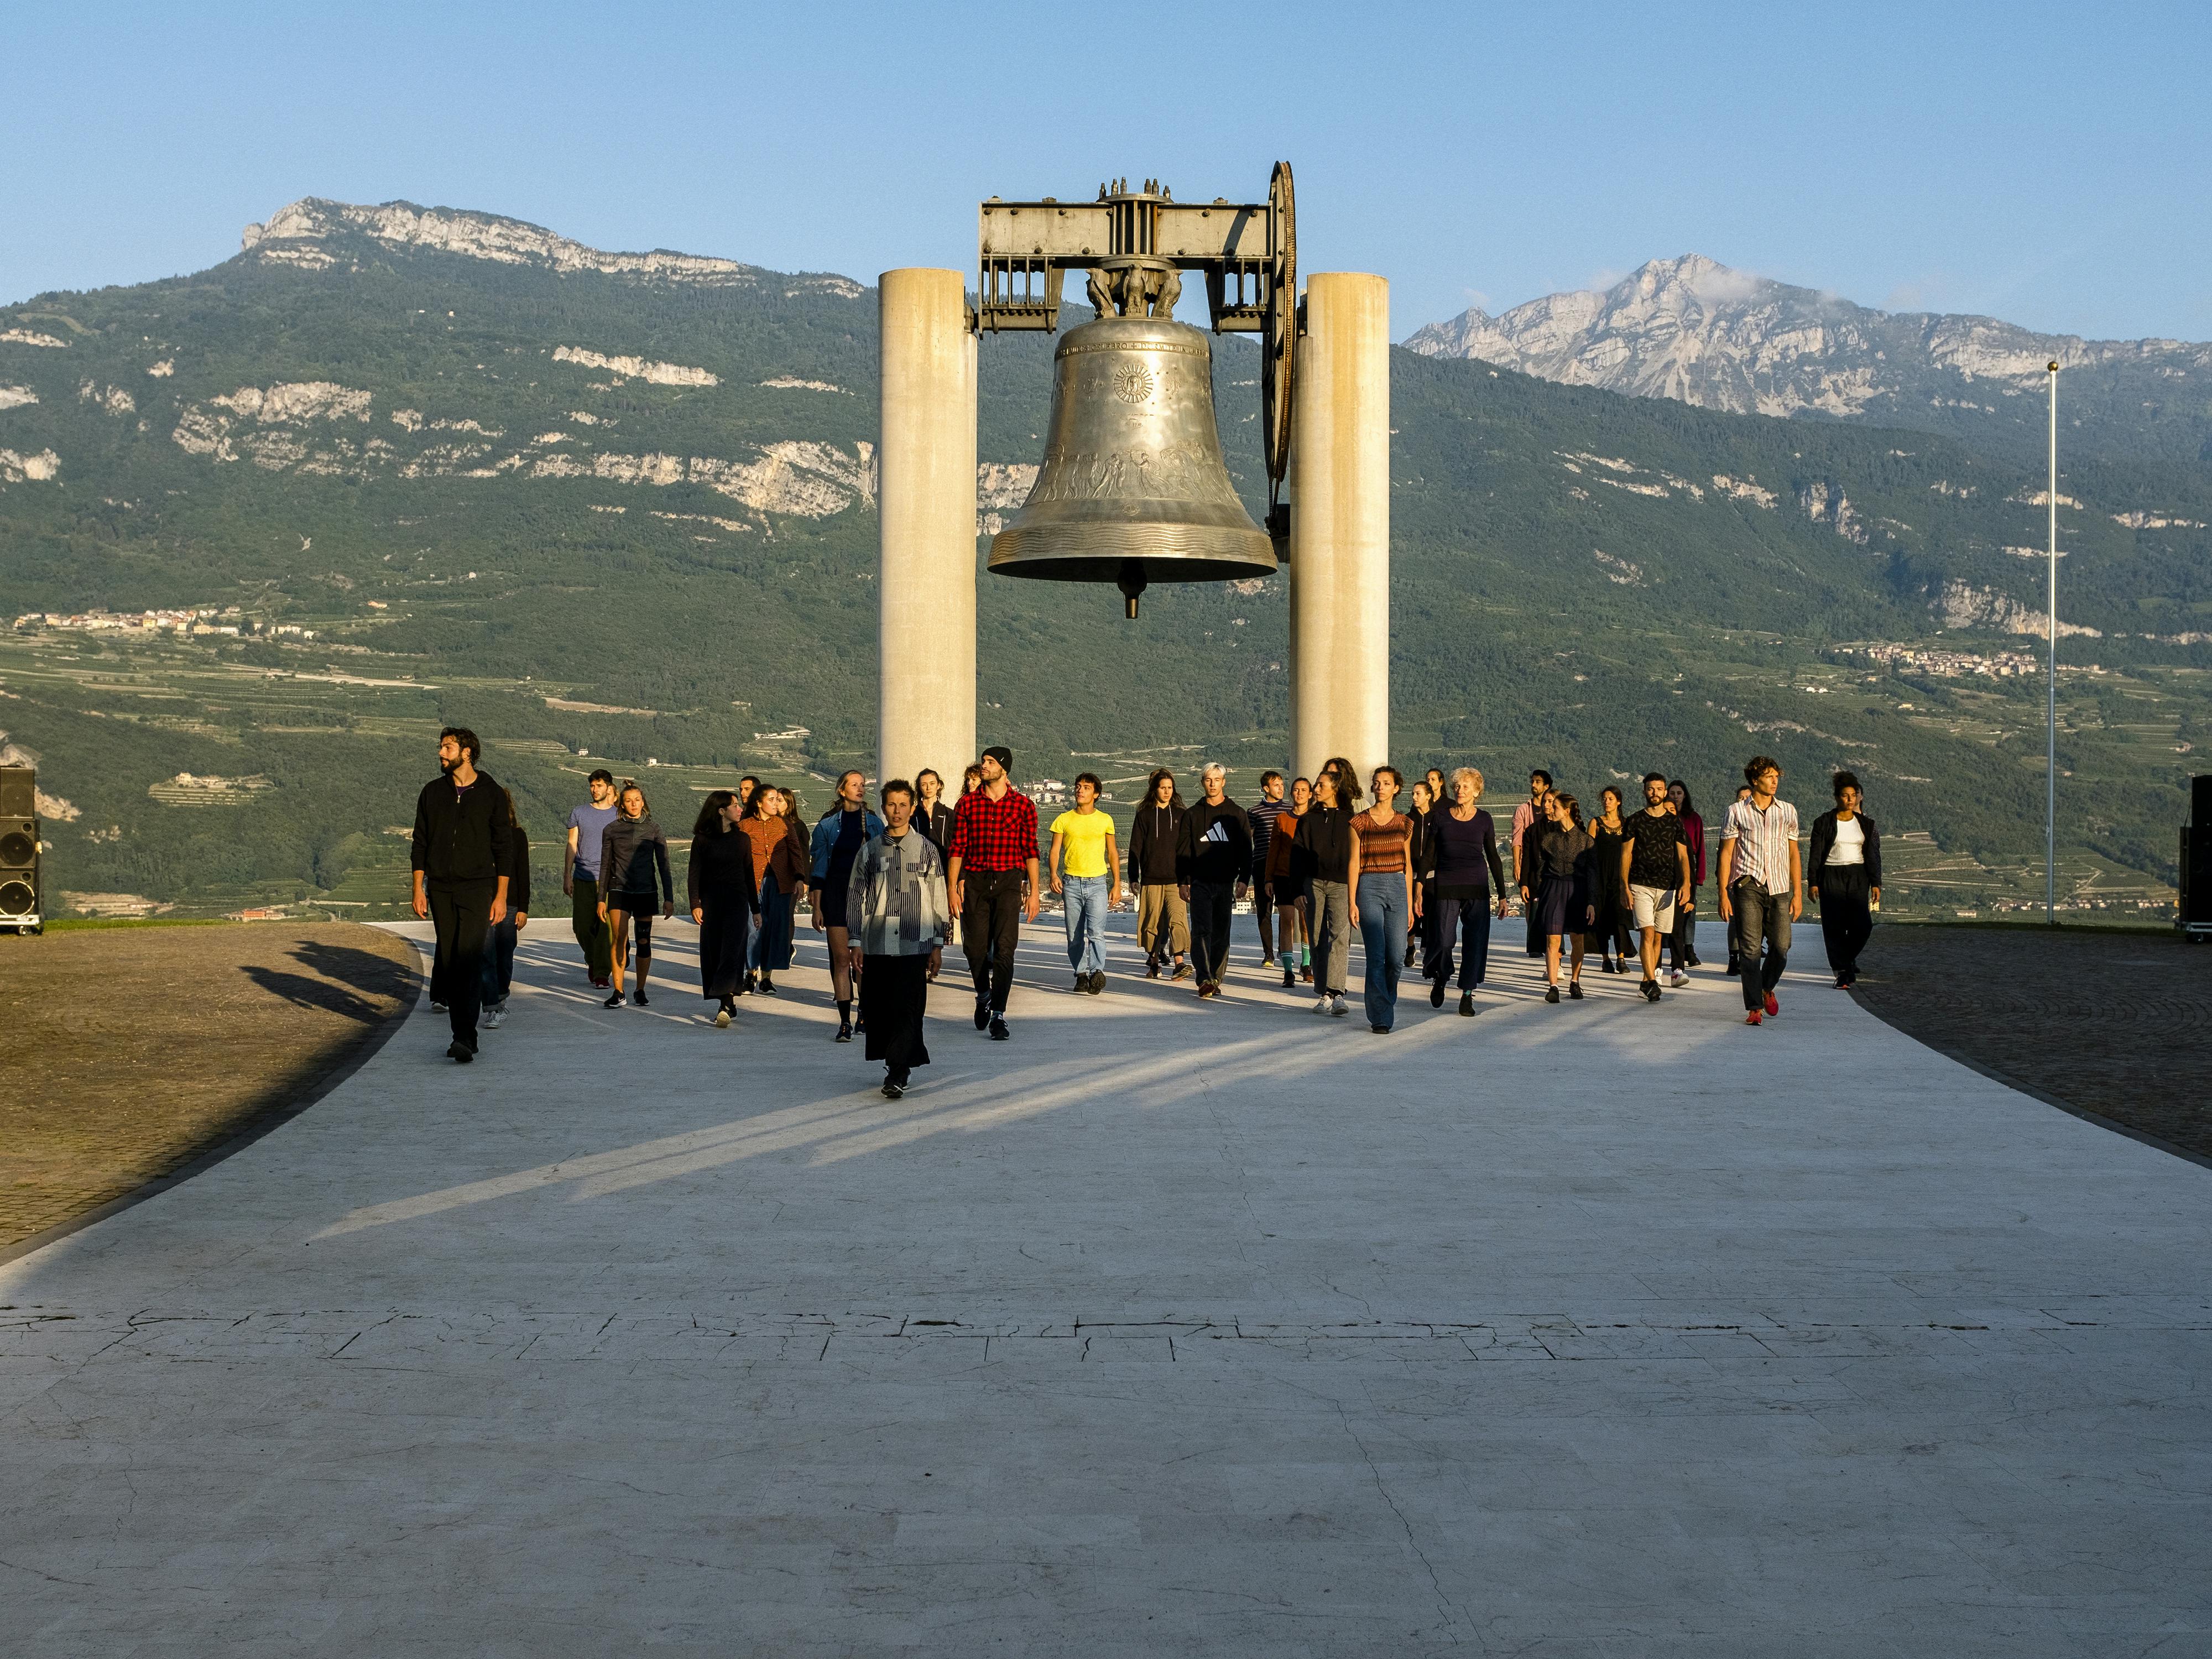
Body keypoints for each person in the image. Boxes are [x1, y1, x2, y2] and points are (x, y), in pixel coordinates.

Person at [846, 779, 953, 1098]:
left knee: (909, 1009)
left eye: (903, 805)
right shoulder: (869, 851)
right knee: (881, 1009)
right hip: (877, 942)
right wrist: (855, 941)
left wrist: (938, 944)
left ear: (912, 807)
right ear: (883, 807)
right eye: (891, 804)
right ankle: (897, 1064)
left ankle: (897, 1071)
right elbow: (855, 897)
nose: (897, 811)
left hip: (915, 942)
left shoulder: (927, 850)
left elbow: (938, 899)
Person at [411, 727, 512, 1063]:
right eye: (441, 747)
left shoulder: (491, 792)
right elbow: (420, 844)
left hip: (478, 887)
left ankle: (464, 1038)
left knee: (468, 958)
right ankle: (464, 1034)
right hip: (439, 888)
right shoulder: (432, 793)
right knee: (452, 960)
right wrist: (418, 888)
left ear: (467, 752)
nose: (441, 753)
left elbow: (504, 849)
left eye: (447, 747)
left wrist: (501, 897)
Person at [946, 744, 1040, 1041]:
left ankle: (999, 1014)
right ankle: (983, 993)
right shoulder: (967, 805)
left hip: (1009, 881)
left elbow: (1031, 851)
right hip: (974, 881)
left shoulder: (1023, 806)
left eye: (989, 762)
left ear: (1004, 768)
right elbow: (957, 848)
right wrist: (952, 887)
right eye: (983, 761)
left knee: (1005, 950)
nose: (983, 766)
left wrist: (1035, 891)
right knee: (973, 949)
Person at [1718, 757, 1802, 1026]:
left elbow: (1793, 854)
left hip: (1779, 887)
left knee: (1782, 946)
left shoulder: (1787, 811)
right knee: (1751, 950)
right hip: (1748, 885)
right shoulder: (1736, 811)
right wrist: (1723, 893)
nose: (1775, 781)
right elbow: (1727, 853)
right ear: (1755, 780)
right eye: (1769, 776)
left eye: (1777, 776)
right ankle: (1754, 1007)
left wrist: (1797, 894)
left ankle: (1766, 987)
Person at [1422, 766, 1507, 1016]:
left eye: (1466, 787)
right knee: (1444, 940)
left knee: (1475, 943)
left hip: (1477, 886)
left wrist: (1502, 894)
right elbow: (1429, 854)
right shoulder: (1441, 817)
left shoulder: (1484, 819)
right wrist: (1418, 887)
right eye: (1457, 786)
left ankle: (1467, 994)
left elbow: (1493, 857)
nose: (1460, 791)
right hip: (1446, 884)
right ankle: (1441, 975)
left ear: (1476, 792)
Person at [810, 770, 885, 1042]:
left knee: (863, 961)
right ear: (842, 790)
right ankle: (844, 1021)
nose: (860, 788)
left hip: (866, 898)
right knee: (842, 960)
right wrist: (817, 907)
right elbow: (819, 870)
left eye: (862, 785)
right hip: (836, 895)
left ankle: (864, 1012)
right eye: (854, 785)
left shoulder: (875, 824)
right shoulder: (827, 826)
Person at [1176, 762, 1252, 999]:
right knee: (1201, 930)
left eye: (1216, 780)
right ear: (1203, 783)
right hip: (1200, 882)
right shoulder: (1192, 814)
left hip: (1226, 881)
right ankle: (1204, 978)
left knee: (1221, 932)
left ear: (1223, 783)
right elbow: (1183, 851)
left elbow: (1246, 851)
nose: (1212, 784)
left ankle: (1216, 977)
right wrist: (1183, 881)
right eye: (1208, 780)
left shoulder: (1237, 814)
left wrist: (1244, 879)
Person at [598, 785, 673, 1009]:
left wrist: (668, 897)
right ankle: (619, 992)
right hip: (619, 890)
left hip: (646, 891)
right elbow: (605, 866)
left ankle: (640, 989)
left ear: (643, 802)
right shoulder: (611, 829)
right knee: (618, 939)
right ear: (622, 804)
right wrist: (601, 899)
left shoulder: (654, 829)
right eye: (629, 800)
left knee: (643, 941)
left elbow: (664, 865)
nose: (634, 804)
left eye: (637, 800)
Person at [1352, 765, 1415, 1032]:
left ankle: (1386, 1000)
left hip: (1398, 885)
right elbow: (1354, 862)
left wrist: (1411, 903)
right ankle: (1381, 1016)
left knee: (1397, 955)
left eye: (1386, 783)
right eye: (1376, 783)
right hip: (1368, 885)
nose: (1380, 787)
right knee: (1376, 955)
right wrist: (1351, 901)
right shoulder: (1360, 822)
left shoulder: (1404, 823)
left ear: (1396, 788)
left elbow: (1409, 864)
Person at [1620, 773, 1692, 1004]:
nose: (1655, 793)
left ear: (1664, 792)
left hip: (1667, 886)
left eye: (1659, 789)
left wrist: (1687, 884)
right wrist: (1624, 886)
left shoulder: (1674, 822)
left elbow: (1683, 856)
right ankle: (1652, 982)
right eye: (1650, 789)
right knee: (1647, 932)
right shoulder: (1635, 820)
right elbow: (1626, 854)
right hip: (1640, 884)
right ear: (1644, 792)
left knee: (1659, 937)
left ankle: (1645, 981)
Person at [689, 788, 758, 1027]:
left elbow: (749, 875)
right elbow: (694, 875)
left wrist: (756, 909)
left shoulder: (742, 839)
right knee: (714, 952)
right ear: (721, 811)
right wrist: (695, 904)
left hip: (737, 903)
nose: (740, 809)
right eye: (735, 805)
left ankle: (726, 1004)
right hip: (711, 904)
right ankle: (727, 999)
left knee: (732, 951)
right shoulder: (702, 840)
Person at [1807, 771, 1882, 989]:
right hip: (1831, 875)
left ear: (1858, 797)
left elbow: (1872, 855)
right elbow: (1816, 854)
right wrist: (1813, 881)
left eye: (1852, 795)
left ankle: (1846, 961)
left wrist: (1876, 883)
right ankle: (1843, 972)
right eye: (1844, 796)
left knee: (1863, 926)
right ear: (1837, 797)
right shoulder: (1823, 822)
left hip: (1858, 876)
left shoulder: (1866, 824)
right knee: (1835, 926)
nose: (1849, 800)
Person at [1520, 790, 1595, 1003]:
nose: (1551, 810)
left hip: (1578, 891)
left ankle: (1575, 981)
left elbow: (1592, 875)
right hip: (1552, 890)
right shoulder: (1548, 839)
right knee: (1552, 939)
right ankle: (1553, 986)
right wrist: (1538, 894)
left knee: (1577, 940)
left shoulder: (1586, 841)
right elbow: (1541, 870)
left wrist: (1592, 903)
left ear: (1567, 811)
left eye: (1556, 807)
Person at [1049, 772, 1120, 993]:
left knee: (1096, 932)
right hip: (1071, 883)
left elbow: (1112, 852)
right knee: (1074, 934)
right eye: (1078, 786)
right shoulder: (1063, 819)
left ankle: (1097, 972)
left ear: (1096, 794)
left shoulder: (1105, 820)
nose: (1080, 790)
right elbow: (1055, 850)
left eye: (1086, 787)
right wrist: (1053, 874)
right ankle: (1081, 974)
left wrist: (1116, 883)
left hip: (1098, 882)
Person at [1303, 758, 1360, 1018]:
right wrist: (1296, 891)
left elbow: (1357, 857)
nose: (1316, 789)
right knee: (1316, 938)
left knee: (1339, 937)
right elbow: (1298, 855)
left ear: (1334, 788)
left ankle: (1335, 993)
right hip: (1313, 883)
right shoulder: (1308, 820)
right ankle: (1322, 989)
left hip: (1341, 885)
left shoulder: (1351, 819)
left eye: (1320, 785)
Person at [739, 786, 806, 994]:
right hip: (753, 883)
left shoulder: (785, 825)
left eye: (778, 800)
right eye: (772, 800)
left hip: (780, 883)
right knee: (753, 929)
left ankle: (767, 976)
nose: (776, 804)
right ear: (759, 803)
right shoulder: (744, 826)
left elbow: (796, 853)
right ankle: (751, 973)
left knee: (775, 929)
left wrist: (799, 878)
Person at [1126, 768, 1190, 980]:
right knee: (1151, 923)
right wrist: (1133, 877)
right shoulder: (1144, 815)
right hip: (1151, 879)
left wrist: (1187, 879)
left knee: (1177, 920)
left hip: (1176, 880)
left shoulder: (1181, 814)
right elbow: (1135, 848)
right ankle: (1154, 963)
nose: (1167, 791)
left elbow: (1186, 849)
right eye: (1163, 787)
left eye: (1170, 788)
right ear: (1155, 789)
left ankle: (1180, 963)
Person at [479, 784, 530, 1029]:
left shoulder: (517, 836)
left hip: (511, 904)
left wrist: (524, 908)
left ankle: (500, 996)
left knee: (505, 954)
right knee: (486, 955)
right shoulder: (479, 835)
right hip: (483, 902)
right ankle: (492, 1007)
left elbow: (523, 873)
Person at [564, 768, 619, 989]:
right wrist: (567, 875)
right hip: (583, 877)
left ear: (609, 787)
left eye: (599, 785)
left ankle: (602, 974)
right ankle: (594, 961)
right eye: (592, 785)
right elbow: (571, 845)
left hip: (609, 879)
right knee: (581, 927)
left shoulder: (618, 815)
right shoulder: (579, 813)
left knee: (605, 930)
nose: (594, 790)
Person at [1266, 776, 1314, 989]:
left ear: (1310, 794)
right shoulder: (1281, 819)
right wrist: (1269, 878)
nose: (1299, 793)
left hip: (1306, 878)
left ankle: (1306, 964)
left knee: (1305, 923)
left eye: (1304, 790)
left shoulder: (1314, 819)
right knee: (1287, 921)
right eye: (1296, 790)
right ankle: (1288, 970)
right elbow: (1273, 850)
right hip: (1284, 876)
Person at [1586, 787, 1632, 974]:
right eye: (1604, 799)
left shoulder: (1627, 824)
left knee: (1619, 917)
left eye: (1611, 799)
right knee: (1602, 918)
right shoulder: (1596, 823)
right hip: (1600, 877)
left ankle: (1621, 957)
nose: (1607, 802)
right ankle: (1606, 958)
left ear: (1618, 802)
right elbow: (1588, 852)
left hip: (1619, 877)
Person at [1247, 771, 1289, 967]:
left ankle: (1284, 949)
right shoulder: (1254, 812)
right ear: (1266, 788)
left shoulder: (1290, 810)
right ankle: (1268, 954)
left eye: (1282, 784)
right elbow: (1248, 840)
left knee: (1285, 908)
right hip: (1262, 864)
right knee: (1264, 909)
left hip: (1284, 866)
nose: (1281, 788)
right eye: (1276, 785)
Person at [1667, 780, 1705, 983]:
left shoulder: (1694, 819)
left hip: (1688, 874)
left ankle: (1687, 952)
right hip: (1665, 877)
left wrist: (1699, 878)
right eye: (1672, 793)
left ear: (1685, 795)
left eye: (1679, 793)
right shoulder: (1663, 819)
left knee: (1687, 917)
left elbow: (1700, 851)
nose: (1675, 796)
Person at [1512, 770, 1552, 958]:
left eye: (1538, 782)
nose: (1533, 785)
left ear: (1547, 786)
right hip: (1529, 862)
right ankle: (1534, 942)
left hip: (1550, 864)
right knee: (1530, 903)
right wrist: (1516, 865)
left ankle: (1550, 941)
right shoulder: (1523, 810)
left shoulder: (1555, 809)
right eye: (1532, 781)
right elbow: (1517, 839)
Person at [1724, 782, 1755, 977]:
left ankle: (1750, 956)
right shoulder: (1732, 819)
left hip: (1754, 878)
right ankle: (1733, 959)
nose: (1743, 801)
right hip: (1735, 878)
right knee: (1735, 920)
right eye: (1740, 798)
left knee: (1753, 921)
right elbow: (1725, 853)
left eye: (1747, 797)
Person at [1406, 779, 1437, 969]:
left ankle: (1428, 946)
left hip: (1433, 875)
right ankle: (1410, 948)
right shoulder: (1408, 819)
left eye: (1418, 793)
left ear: (1428, 796)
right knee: (1410, 916)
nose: (1415, 797)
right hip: (1411, 874)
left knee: (1430, 914)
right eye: (1413, 794)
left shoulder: (1437, 818)